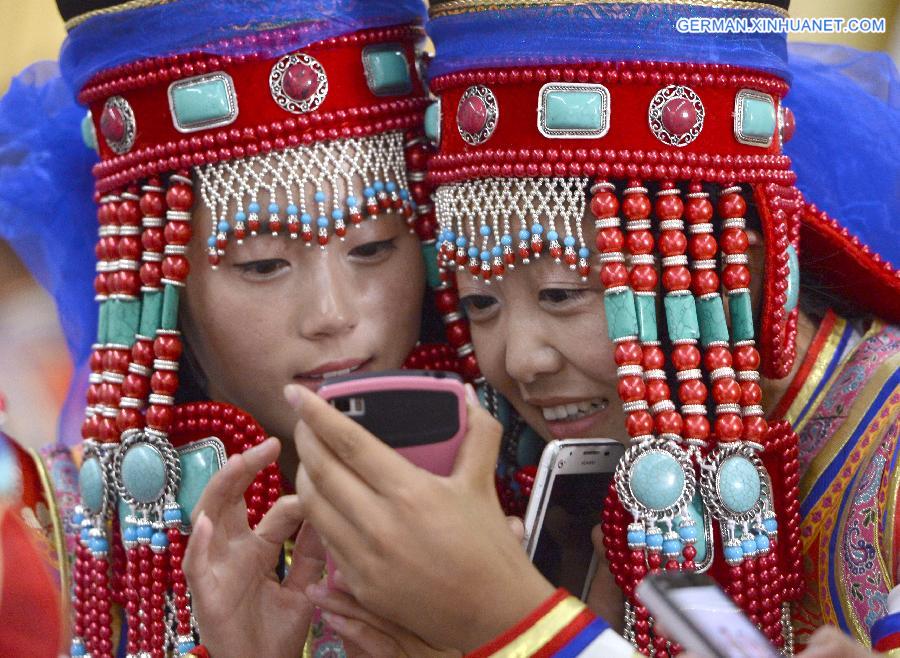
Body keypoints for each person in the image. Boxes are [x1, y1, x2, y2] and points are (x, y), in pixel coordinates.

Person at [290, 0, 899, 655]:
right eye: (480, 305)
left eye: (562, 293)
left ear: (734, 274)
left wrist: (511, 620)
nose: (520, 359)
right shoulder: (559, 484)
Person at [0, 1, 478, 656]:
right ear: (162, 286)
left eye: (372, 248)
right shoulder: (46, 549)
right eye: (263, 264)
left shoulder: (561, 513)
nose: (332, 312)